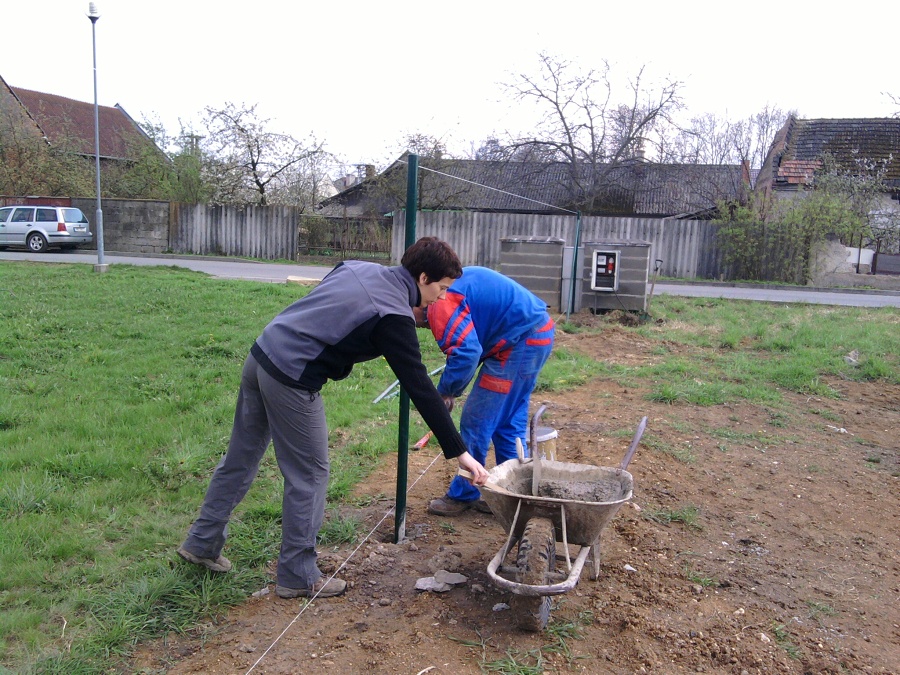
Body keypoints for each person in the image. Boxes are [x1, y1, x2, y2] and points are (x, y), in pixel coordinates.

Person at [177, 237, 489, 599]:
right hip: (292, 378)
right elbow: (419, 386)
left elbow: (328, 304)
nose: (441, 297)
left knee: (240, 458)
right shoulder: (394, 316)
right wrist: (459, 452)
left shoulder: (359, 267)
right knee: (309, 475)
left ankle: (201, 543)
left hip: (262, 354)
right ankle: (298, 574)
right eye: (441, 288)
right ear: (422, 278)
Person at [415, 266, 555, 516]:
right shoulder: (446, 286)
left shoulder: (439, 303)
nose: (415, 325)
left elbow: (467, 353)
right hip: (535, 331)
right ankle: (510, 494)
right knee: (509, 422)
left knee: (476, 420)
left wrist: (447, 392)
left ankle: (465, 493)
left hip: (520, 342)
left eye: (409, 318)